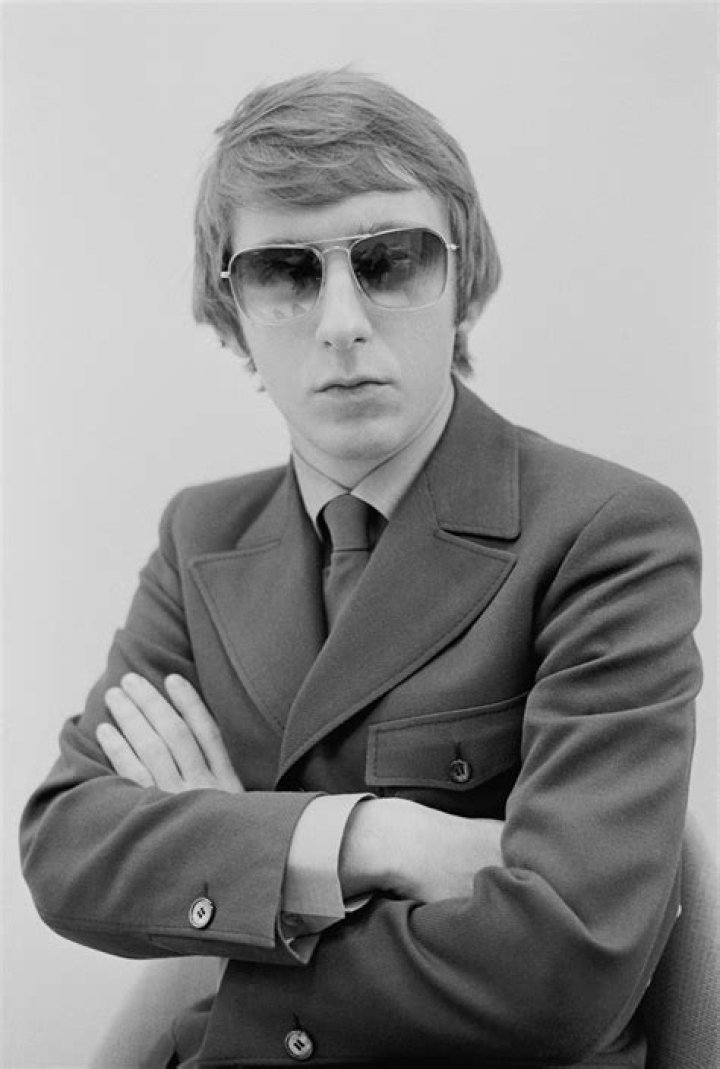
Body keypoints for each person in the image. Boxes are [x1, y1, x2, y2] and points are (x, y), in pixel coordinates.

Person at [20, 69, 702, 1069]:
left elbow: (565, 966)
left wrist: (239, 858)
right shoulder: (201, 535)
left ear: (461, 279)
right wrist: (373, 839)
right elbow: (68, 848)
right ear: (231, 310)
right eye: (285, 272)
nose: (341, 319)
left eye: (388, 261)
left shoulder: (607, 533)